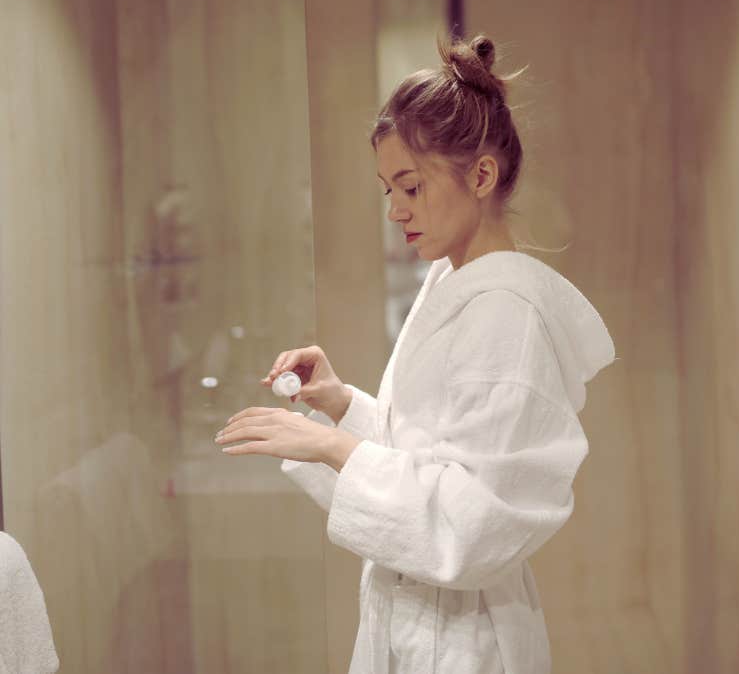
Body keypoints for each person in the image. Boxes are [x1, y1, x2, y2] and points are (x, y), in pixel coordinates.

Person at [215, 34, 615, 674]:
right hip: (420, 623)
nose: (396, 211)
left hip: (466, 643)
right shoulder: (454, 281)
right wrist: (343, 407)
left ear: (481, 175)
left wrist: (331, 448)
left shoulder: (508, 313)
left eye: (411, 186)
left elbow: (476, 524)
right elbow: (433, 456)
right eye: (387, 191)